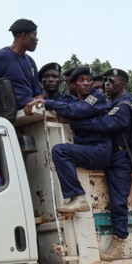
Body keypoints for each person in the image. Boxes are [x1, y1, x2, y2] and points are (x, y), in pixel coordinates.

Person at [70, 68, 132, 261]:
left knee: (118, 201)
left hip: (121, 157)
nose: (107, 83)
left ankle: (118, 241)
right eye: (105, 80)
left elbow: (106, 125)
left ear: (122, 84)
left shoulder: (127, 104)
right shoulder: (111, 102)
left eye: (111, 81)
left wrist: (76, 124)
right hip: (108, 153)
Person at [41, 66, 111, 213]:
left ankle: (77, 197)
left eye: (89, 80)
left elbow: (77, 110)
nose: (86, 83)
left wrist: (47, 103)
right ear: (73, 85)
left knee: (60, 151)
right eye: (81, 80)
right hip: (89, 150)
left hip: (100, 150)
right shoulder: (76, 101)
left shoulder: (97, 97)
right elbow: (72, 108)